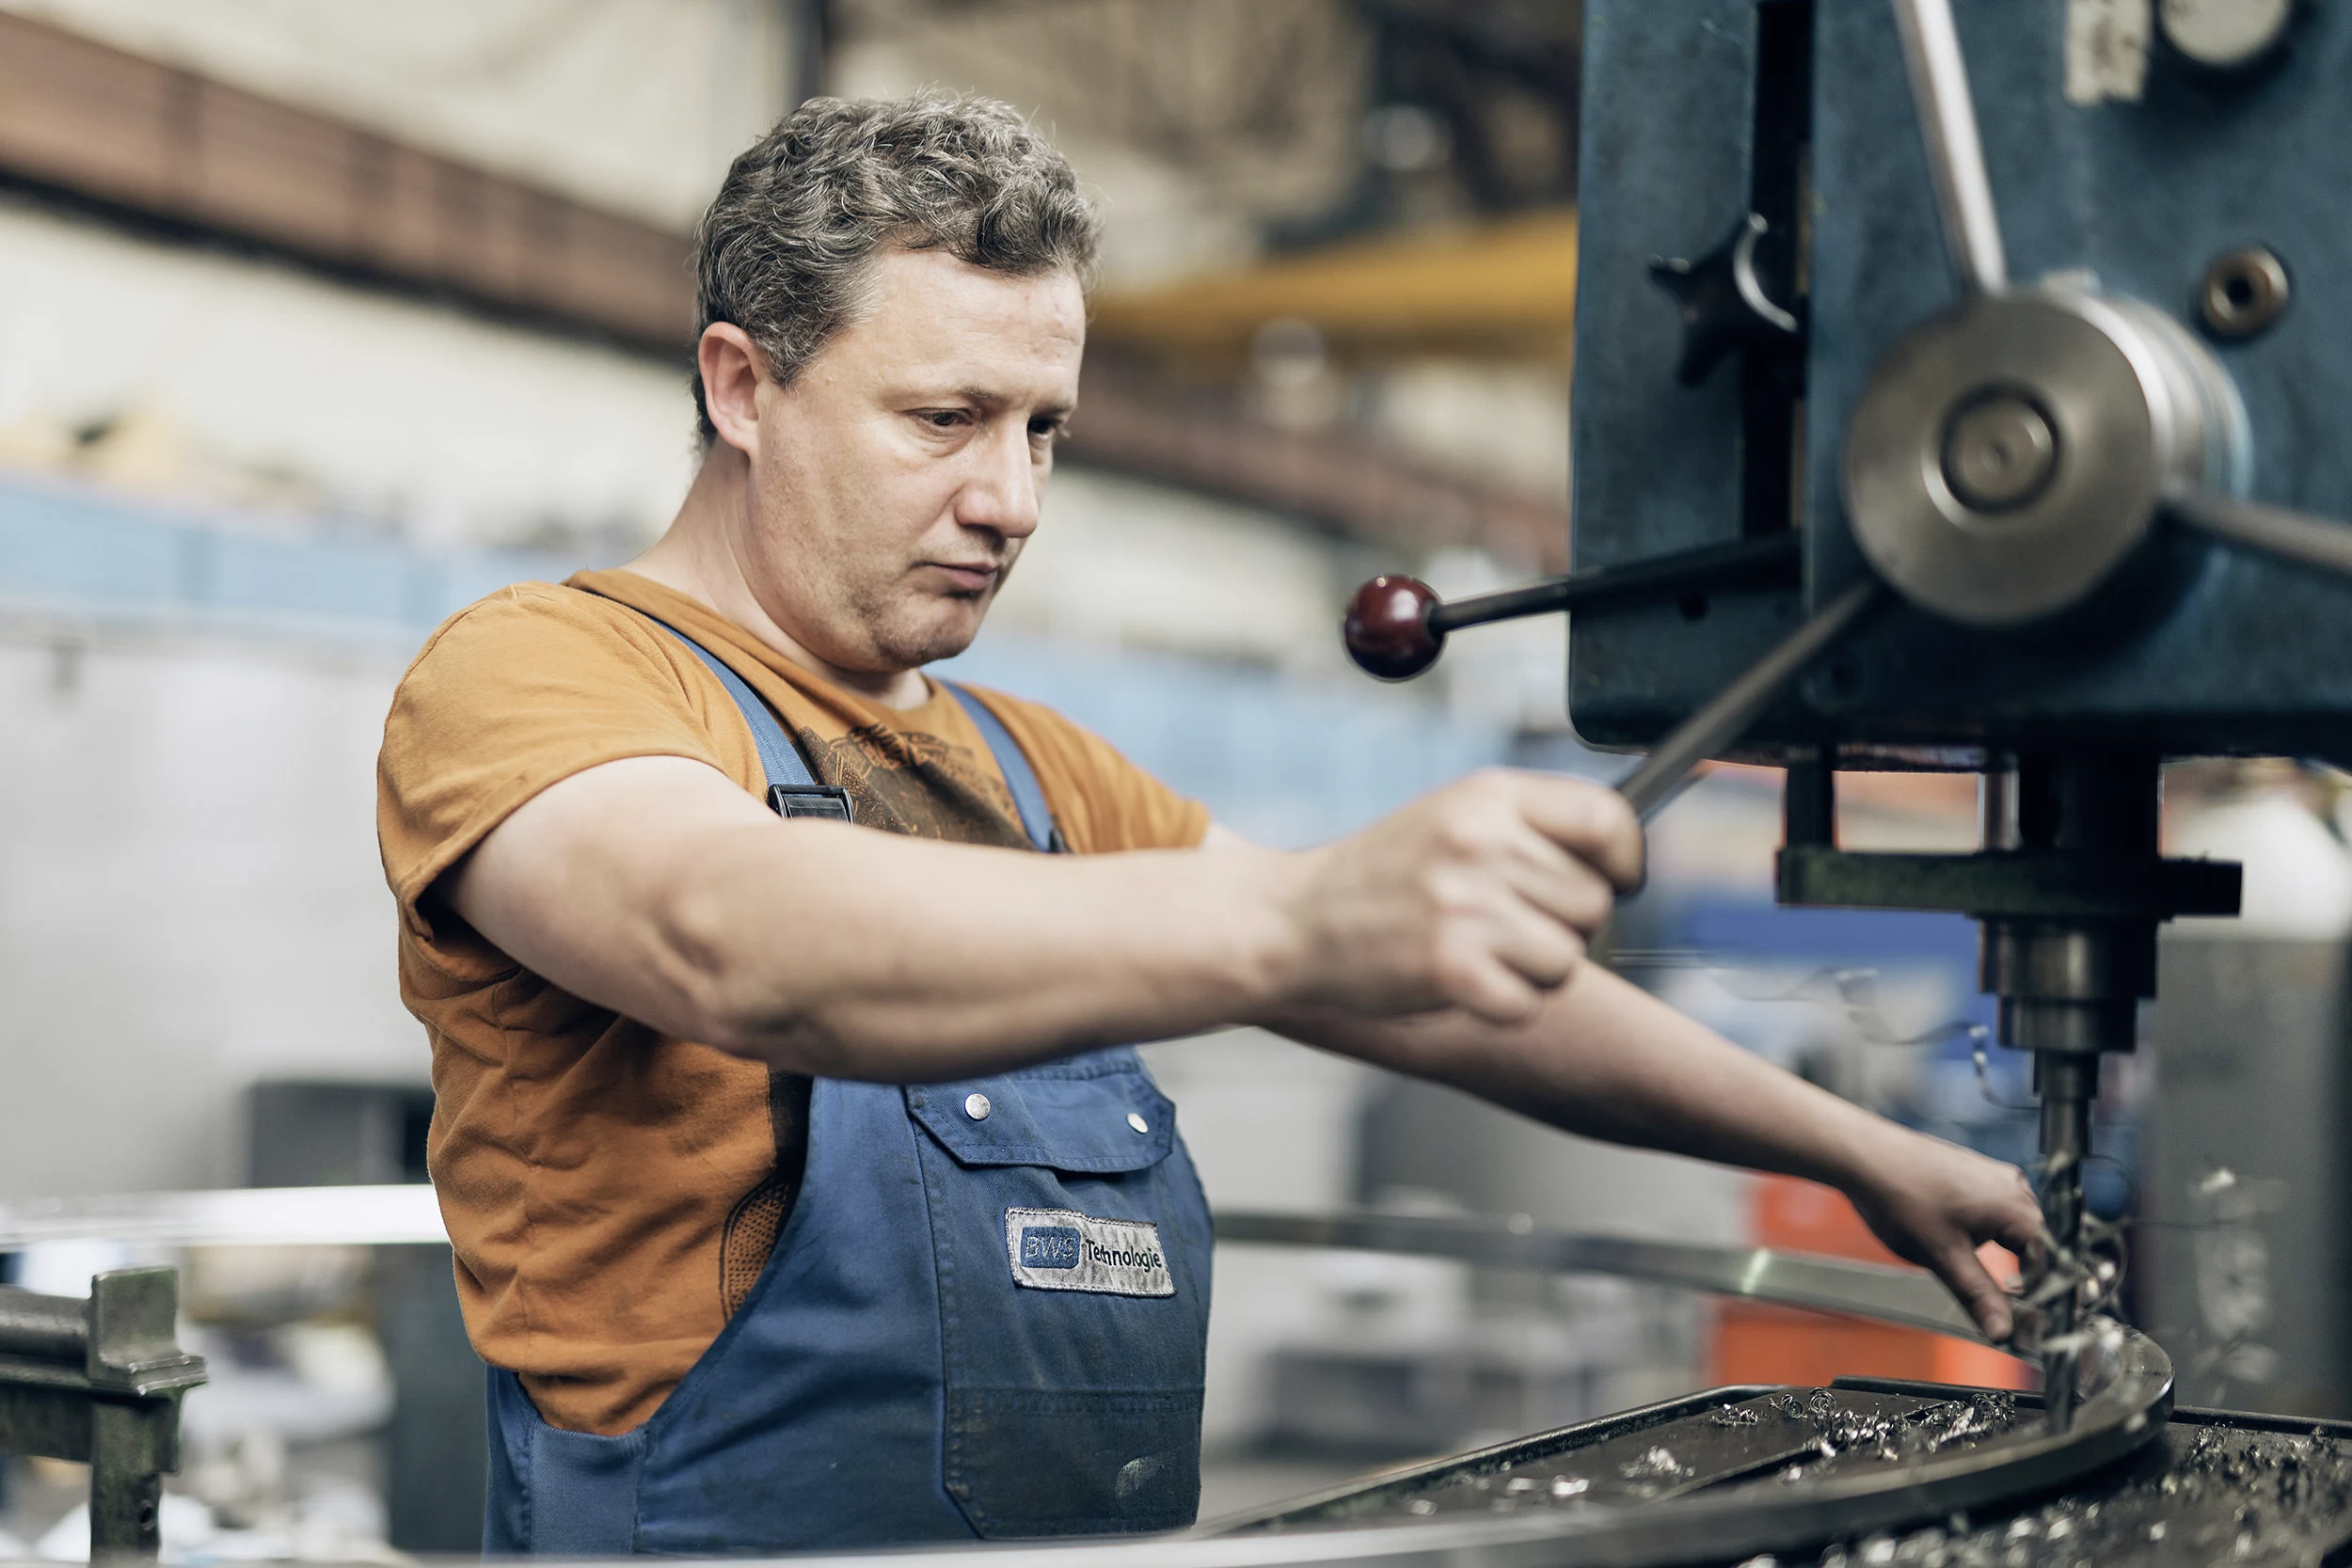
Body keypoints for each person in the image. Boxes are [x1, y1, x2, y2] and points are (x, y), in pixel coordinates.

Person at [375, 92, 2042, 1556]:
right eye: (944, 419)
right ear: (744, 387)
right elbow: (730, 936)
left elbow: (1437, 991)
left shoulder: (1036, 774)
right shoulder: (543, 674)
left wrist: (1854, 1148)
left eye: (1044, 431)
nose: (1010, 501)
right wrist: (1306, 918)